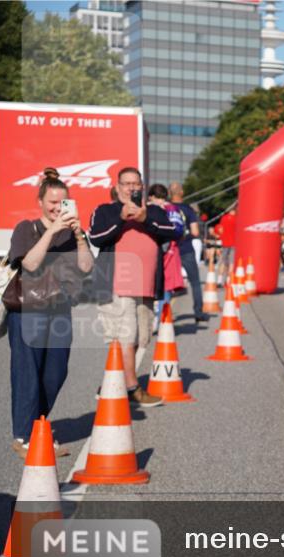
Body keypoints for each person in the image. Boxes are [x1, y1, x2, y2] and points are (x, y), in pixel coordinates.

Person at [6, 173, 93, 457]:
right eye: (52, 202)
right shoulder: (26, 228)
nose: (58, 207)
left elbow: (86, 267)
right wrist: (51, 230)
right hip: (28, 309)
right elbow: (30, 264)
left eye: (62, 202)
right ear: (40, 202)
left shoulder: (72, 234)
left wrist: (78, 235)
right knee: (27, 373)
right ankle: (24, 436)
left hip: (60, 310)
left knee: (56, 372)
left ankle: (37, 428)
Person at [89, 166, 178, 407]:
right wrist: (121, 218)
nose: (131, 188)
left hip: (146, 287)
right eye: (126, 184)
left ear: (142, 187)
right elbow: (96, 237)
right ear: (117, 187)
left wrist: (144, 219)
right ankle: (132, 388)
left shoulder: (154, 212)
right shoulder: (106, 211)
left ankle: (112, 383)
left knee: (142, 338)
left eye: (135, 184)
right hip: (115, 286)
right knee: (125, 337)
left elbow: (174, 232)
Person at [147, 185, 186, 332]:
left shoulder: (149, 209)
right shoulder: (175, 209)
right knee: (166, 288)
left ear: (151, 196)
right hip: (171, 251)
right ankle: (162, 321)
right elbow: (181, 232)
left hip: (157, 251)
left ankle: (156, 320)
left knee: (152, 286)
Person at [169, 182, 209, 322]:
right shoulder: (188, 209)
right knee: (195, 282)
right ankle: (198, 313)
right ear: (182, 192)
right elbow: (195, 232)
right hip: (186, 249)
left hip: (169, 250)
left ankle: (164, 314)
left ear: (169, 193)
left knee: (167, 283)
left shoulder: (166, 208)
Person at [216, 203, 237, 286]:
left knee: (223, 261)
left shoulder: (224, 218)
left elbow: (220, 230)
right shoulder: (237, 218)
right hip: (234, 243)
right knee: (231, 262)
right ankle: (228, 280)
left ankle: (219, 280)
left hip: (225, 243)